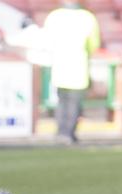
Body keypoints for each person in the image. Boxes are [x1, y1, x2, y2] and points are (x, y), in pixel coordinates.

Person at [43, 0, 99, 143]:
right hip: (78, 66)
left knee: (62, 101)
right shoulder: (87, 17)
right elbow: (93, 43)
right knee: (74, 103)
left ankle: (61, 131)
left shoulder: (54, 16)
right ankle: (69, 133)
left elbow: (47, 40)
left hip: (60, 65)